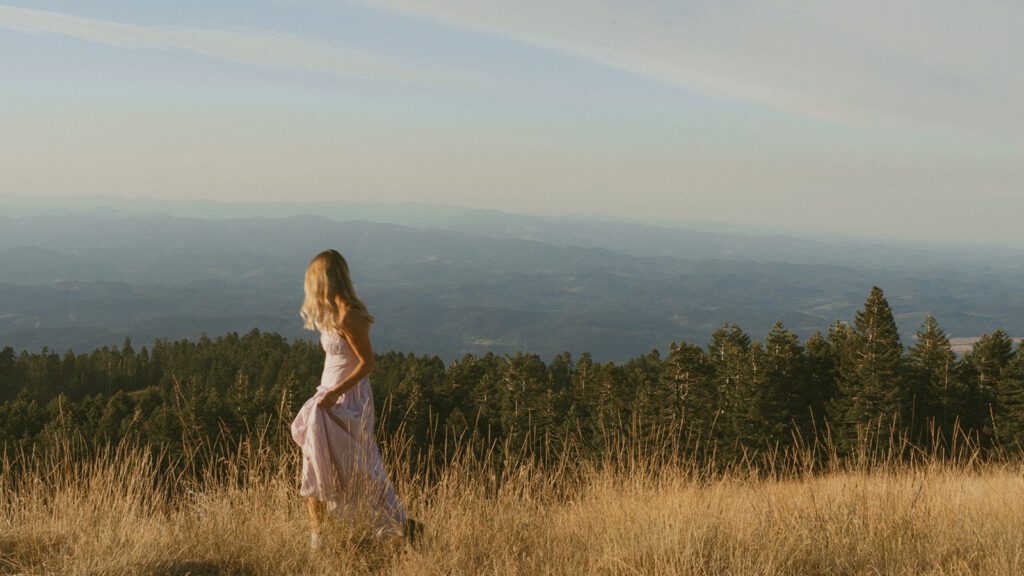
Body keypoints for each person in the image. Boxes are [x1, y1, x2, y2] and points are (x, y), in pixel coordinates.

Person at [290, 249, 419, 547]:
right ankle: (317, 541)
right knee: (315, 466)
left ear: (326, 281)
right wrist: (325, 392)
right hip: (326, 400)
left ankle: (401, 526)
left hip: (347, 402)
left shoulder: (351, 317)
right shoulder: (335, 315)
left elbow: (367, 362)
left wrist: (335, 392)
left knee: (359, 468)